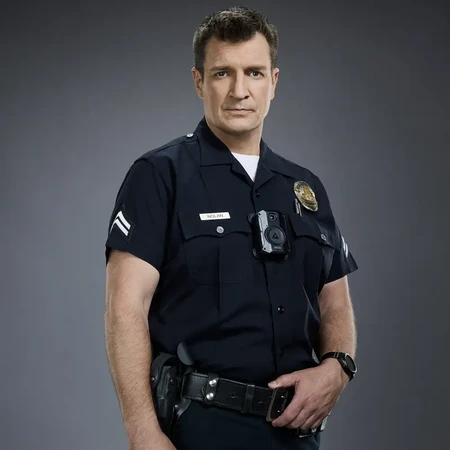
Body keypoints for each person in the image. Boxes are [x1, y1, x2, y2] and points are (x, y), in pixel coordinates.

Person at [104, 6, 358, 450]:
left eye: (254, 73)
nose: (240, 91)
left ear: (273, 82)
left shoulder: (304, 188)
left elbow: (334, 300)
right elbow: (125, 308)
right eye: (223, 73)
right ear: (199, 81)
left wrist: (338, 366)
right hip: (201, 428)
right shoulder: (160, 176)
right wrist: (142, 432)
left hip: (296, 433)